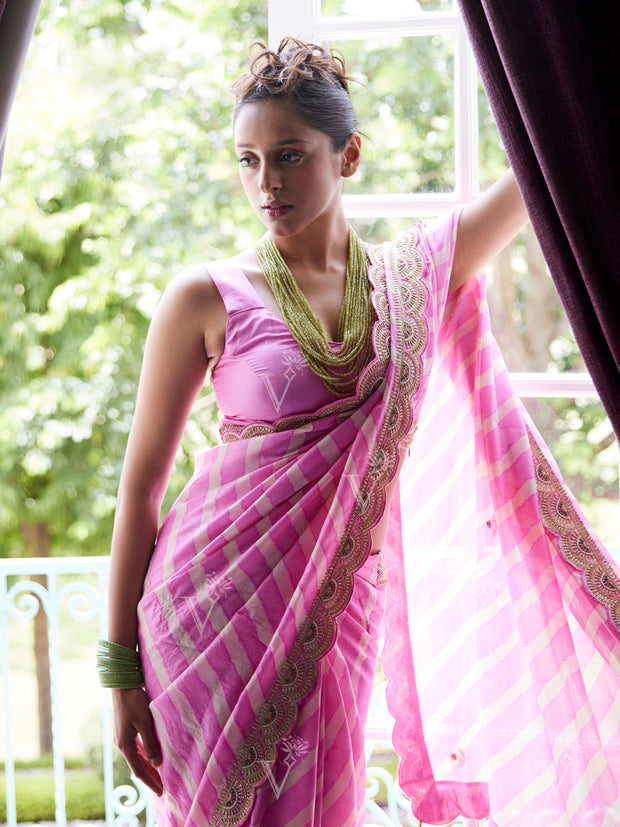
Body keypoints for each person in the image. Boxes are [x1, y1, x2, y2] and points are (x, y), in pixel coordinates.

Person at [98, 37, 620, 827]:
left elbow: (540, 171)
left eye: (289, 155)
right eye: (246, 160)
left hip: (337, 616)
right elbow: (139, 491)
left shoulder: (409, 283)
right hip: (204, 616)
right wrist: (119, 672)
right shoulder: (205, 295)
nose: (265, 183)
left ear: (349, 156)